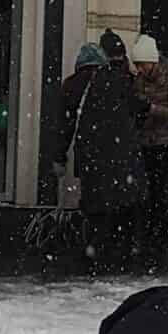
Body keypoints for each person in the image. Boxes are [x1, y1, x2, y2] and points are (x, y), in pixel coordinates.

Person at [60, 32, 149, 272]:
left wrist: (59, 156)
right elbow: (138, 107)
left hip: (91, 155)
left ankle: (94, 253)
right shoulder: (118, 79)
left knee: (95, 205)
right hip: (121, 154)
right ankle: (122, 254)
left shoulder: (72, 85)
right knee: (123, 204)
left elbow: (66, 124)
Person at [129, 33, 168, 265]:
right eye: (137, 65)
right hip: (147, 144)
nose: (140, 69)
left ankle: (162, 245)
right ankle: (151, 244)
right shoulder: (141, 80)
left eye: (142, 64)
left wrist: (151, 109)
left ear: (152, 61)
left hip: (166, 146)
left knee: (163, 197)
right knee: (150, 198)